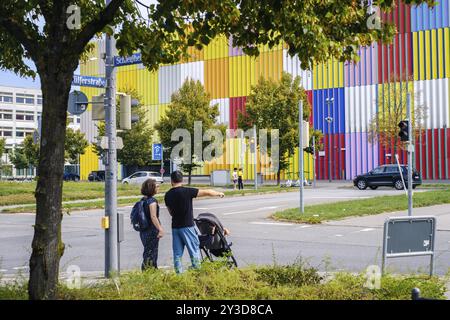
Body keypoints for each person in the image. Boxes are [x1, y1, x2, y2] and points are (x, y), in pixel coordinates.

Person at [164, 170, 224, 273]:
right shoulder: (187, 191)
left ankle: (179, 275)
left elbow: (171, 212)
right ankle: (197, 273)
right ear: (182, 180)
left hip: (175, 227)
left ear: (171, 181)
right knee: (194, 249)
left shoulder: (168, 195)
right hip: (187, 226)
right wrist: (219, 193)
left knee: (177, 253)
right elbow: (207, 192)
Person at [139, 179, 164, 270]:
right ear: (151, 188)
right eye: (157, 186)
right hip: (152, 230)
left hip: (144, 230)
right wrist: (160, 229)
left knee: (148, 251)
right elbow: (153, 216)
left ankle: (149, 270)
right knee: (151, 252)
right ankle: (150, 271)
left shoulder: (143, 200)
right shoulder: (152, 201)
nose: (158, 188)